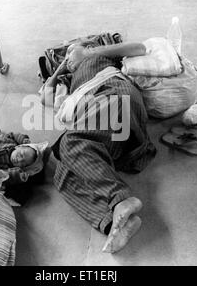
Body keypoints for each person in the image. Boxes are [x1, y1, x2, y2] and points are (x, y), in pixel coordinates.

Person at [42, 42, 156, 253]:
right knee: (63, 174)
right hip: (108, 136)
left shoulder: (99, 55)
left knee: (70, 142)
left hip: (115, 95)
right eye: (64, 56)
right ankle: (116, 222)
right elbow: (45, 96)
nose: (67, 56)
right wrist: (63, 67)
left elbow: (139, 47)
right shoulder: (68, 82)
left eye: (69, 51)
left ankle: (120, 198)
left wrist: (86, 52)